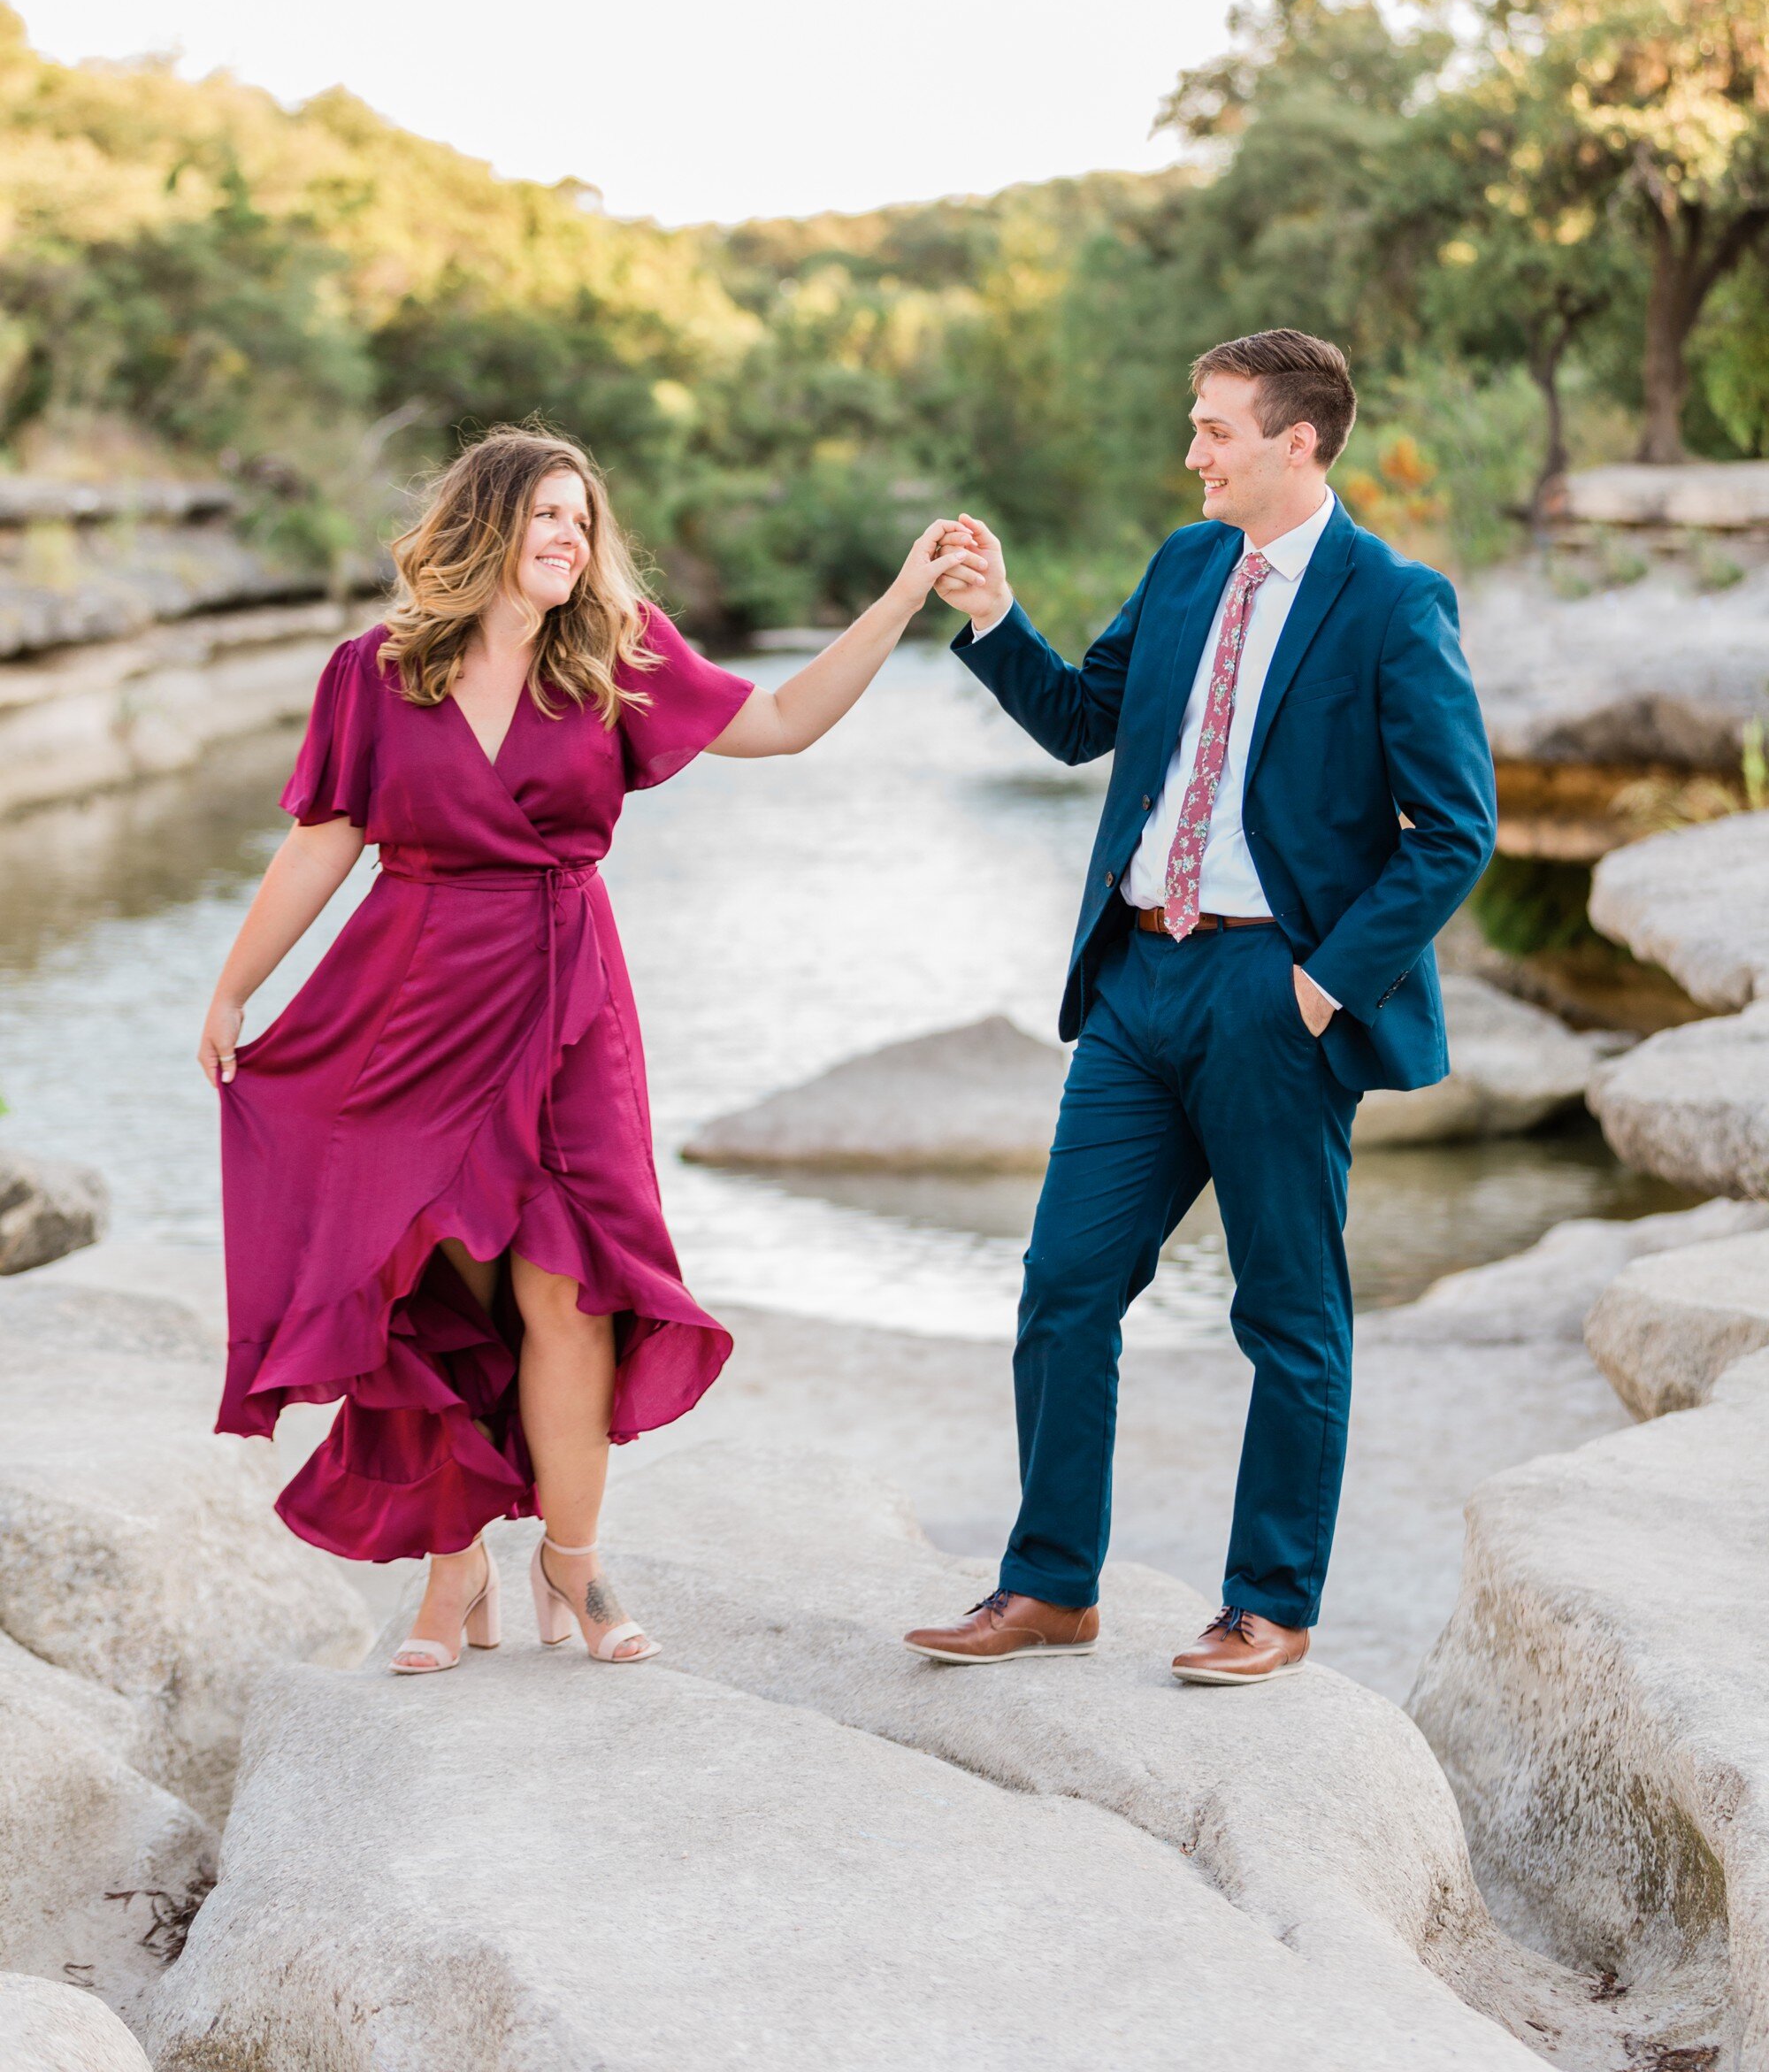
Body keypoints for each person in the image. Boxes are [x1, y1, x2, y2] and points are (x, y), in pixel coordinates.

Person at [201, 424, 980, 1675]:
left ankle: (574, 1558)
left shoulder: (614, 655)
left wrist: (899, 597)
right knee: (428, 1282)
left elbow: (779, 721)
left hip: (566, 997)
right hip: (412, 998)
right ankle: (455, 1573)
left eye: (582, 518)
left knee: (568, 1286)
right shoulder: (376, 670)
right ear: (483, 526)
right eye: (545, 515)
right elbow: (324, 839)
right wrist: (237, 989)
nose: (569, 536)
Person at [904, 330, 1496, 1683]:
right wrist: (995, 614)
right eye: (1194, 423)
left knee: (1288, 1317)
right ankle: (1051, 1584)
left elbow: (1454, 830)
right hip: (1137, 977)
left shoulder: (1395, 603)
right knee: (1064, 1284)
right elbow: (1076, 722)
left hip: (1272, 994)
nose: (1192, 453)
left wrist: (1318, 986)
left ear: (1298, 441)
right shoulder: (1182, 567)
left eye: (1216, 428)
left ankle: (1268, 1609)